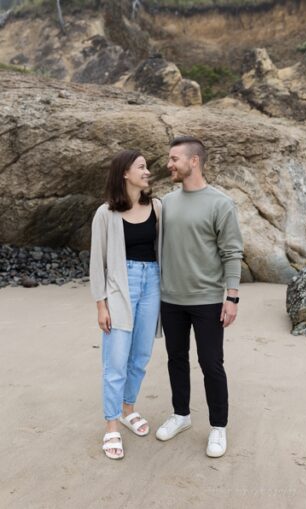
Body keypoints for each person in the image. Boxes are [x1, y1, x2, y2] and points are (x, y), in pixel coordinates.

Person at [154, 136, 243, 458]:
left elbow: (232, 252)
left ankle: (218, 427)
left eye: (174, 158)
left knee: (210, 363)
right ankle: (181, 415)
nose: (169, 164)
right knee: (176, 359)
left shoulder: (221, 203)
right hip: (170, 299)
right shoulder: (166, 202)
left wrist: (231, 297)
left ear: (194, 161)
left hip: (206, 299)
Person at [90, 150, 163, 460]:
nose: (147, 172)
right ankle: (111, 427)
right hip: (121, 286)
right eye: (141, 167)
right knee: (116, 361)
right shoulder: (105, 213)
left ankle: (127, 409)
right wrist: (101, 305)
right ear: (125, 174)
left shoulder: (158, 207)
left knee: (141, 355)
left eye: (147, 167)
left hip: (153, 285)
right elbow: (97, 262)